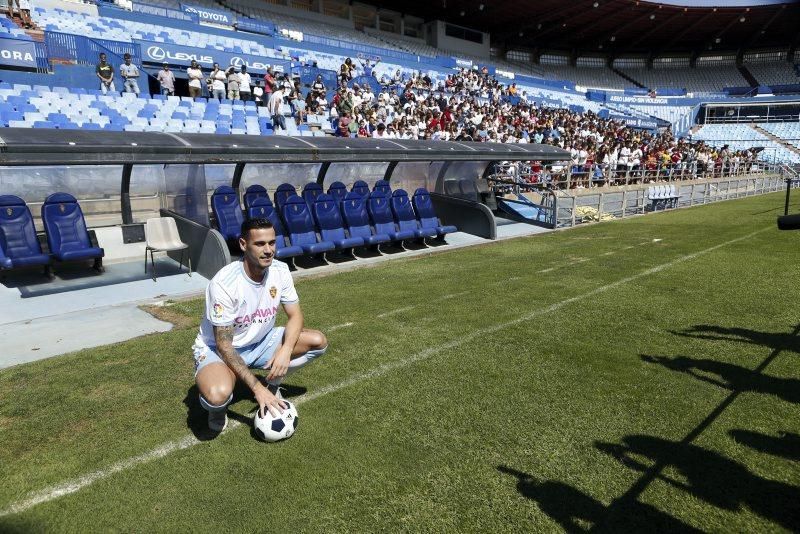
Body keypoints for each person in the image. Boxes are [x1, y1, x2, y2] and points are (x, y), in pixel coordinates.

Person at [193, 218, 328, 432]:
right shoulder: (224, 284)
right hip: (218, 350)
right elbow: (224, 345)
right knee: (218, 395)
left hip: (262, 342)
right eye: (260, 244)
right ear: (243, 245)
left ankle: (272, 385)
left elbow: (296, 316)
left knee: (318, 341)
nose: (268, 250)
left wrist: (285, 351)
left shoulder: (280, 271)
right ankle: (218, 410)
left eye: (272, 243)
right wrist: (256, 389)